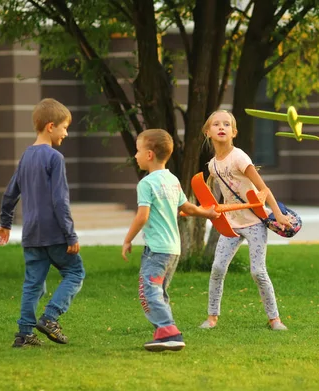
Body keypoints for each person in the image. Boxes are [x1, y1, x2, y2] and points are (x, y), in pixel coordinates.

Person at [0, 98, 85, 348]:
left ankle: (24, 335)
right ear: (50, 126)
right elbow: (59, 200)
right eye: (65, 127)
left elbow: (10, 192)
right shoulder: (54, 158)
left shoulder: (26, 157)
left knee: (33, 284)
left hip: (32, 233)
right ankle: (50, 318)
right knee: (75, 272)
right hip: (55, 233)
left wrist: (6, 223)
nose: (66, 133)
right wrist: (71, 235)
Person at [121, 129, 219, 352]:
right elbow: (187, 208)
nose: (135, 156)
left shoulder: (146, 183)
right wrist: (208, 213)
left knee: (149, 291)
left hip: (156, 250)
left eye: (137, 151)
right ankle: (163, 333)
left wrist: (128, 240)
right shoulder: (172, 180)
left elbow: (142, 216)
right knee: (160, 291)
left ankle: (169, 331)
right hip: (174, 249)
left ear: (149, 155)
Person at [199, 110, 292, 331]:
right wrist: (210, 208)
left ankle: (274, 320)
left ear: (234, 132)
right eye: (216, 124)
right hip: (231, 224)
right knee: (218, 268)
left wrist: (277, 214)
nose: (221, 127)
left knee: (257, 271)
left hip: (254, 222)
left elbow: (262, 187)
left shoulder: (239, 157)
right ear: (207, 131)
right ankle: (212, 318)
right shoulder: (212, 165)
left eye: (227, 124)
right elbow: (214, 191)